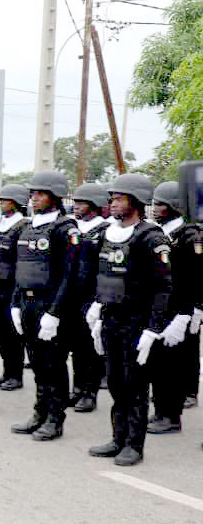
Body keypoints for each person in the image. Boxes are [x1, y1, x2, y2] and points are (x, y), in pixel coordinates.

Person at [87, 174, 172, 466]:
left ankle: (134, 445)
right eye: (111, 199)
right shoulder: (108, 234)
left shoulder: (151, 238)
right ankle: (118, 438)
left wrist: (153, 329)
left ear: (135, 202)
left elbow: (163, 288)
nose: (113, 204)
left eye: (120, 199)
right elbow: (102, 276)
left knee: (135, 386)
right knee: (115, 383)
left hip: (137, 323)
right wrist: (98, 310)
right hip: (112, 319)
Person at [9, 171, 80, 442]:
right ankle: (40, 412)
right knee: (37, 362)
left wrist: (54, 313)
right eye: (32, 194)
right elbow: (20, 268)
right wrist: (16, 303)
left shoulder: (65, 229)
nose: (34, 198)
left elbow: (70, 275)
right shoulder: (28, 227)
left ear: (55, 196)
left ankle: (55, 418)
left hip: (50, 305)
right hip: (27, 302)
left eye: (40, 194)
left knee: (54, 363)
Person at [146, 181, 202, 433]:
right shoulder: (158, 232)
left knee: (173, 364)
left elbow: (196, 277)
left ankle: (171, 416)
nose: (155, 209)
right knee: (158, 363)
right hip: (159, 306)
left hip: (179, 308)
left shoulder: (190, 235)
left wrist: (195, 310)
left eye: (161, 204)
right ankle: (161, 410)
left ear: (175, 206)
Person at [67, 182, 110, 412]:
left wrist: (99, 301)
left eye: (81, 203)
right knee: (75, 346)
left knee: (89, 348)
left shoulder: (105, 231)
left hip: (91, 297)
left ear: (94, 205)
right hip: (71, 296)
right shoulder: (73, 228)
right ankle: (77, 389)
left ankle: (89, 393)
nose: (76, 206)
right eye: (75, 202)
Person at [0, 184, 29, 392]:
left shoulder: (23, 226)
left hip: (12, 286)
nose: (1, 203)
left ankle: (15, 375)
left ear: (17, 203)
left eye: (6, 200)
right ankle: (6, 371)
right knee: (1, 333)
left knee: (13, 334)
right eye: (1, 200)